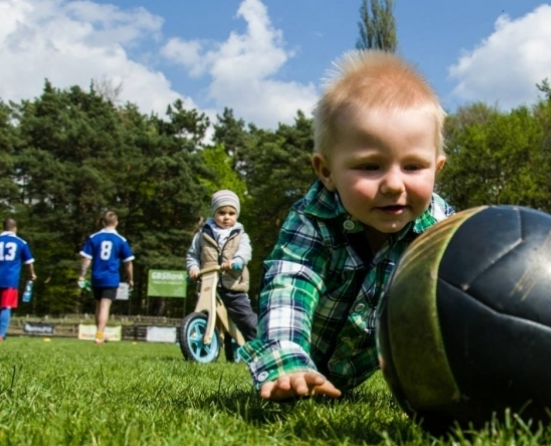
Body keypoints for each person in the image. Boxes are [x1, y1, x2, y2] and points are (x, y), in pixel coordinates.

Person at [238, 49, 454, 400]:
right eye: (370, 166)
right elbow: (291, 282)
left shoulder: (443, 231)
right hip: (304, 354)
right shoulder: (312, 221)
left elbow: (468, 294)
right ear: (326, 172)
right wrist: (287, 360)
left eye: (413, 167)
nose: (394, 184)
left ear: (437, 168)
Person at [185, 189, 258, 343]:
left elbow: (246, 252)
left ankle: (259, 344)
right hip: (208, 285)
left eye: (231, 213)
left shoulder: (240, 235)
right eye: (221, 212)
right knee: (205, 312)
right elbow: (193, 255)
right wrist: (193, 269)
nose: (226, 217)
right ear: (213, 213)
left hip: (233, 286)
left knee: (246, 320)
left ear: (236, 215)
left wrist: (236, 261)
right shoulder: (202, 234)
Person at [78, 211, 134, 344]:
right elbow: (128, 263)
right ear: (117, 223)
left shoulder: (94, 237)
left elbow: (86, 260)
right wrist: (130, 278)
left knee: (98, 306)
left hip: (96, 276)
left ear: (103, 222)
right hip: (111, 277)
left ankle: (99, 334)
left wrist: (81, 275)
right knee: (105, 306)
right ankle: (99, 335)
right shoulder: (121, 240)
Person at [0, 218, 37, 341]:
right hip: (10, 279)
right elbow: (29, 262)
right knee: (6, 305)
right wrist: (32, 274)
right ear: (15, 228)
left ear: (3, 227)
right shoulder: (21, 242)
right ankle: (1, 335)